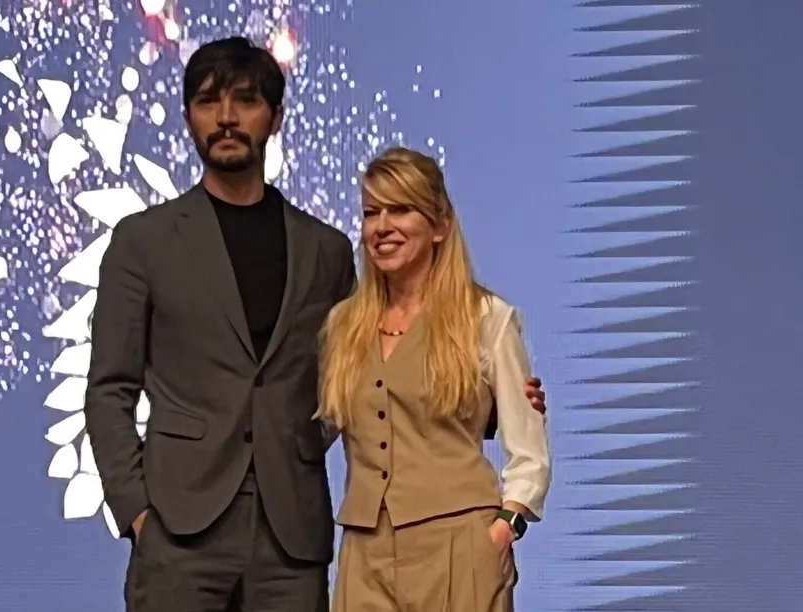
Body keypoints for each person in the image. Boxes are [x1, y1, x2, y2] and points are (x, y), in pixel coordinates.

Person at [83, 36, 547, 611]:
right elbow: (109, 389)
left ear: (275, 117)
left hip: (292, 540)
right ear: (187, 118)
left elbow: (370, 376)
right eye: (207, 101)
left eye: (245, 100)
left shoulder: (324, 251)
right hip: (177, 535)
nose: (226, 117)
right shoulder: (143, 241)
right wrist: (136, 511)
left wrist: (501, 398)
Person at [318, 146, 552, 611]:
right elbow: (316, 429)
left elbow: (528, 450)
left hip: (459, 547)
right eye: (371, 213)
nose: (382, 226)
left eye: (401, 209)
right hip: (365, 555)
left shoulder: (485, 317)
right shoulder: (344, 326)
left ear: (440, 225)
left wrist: (505, 527)